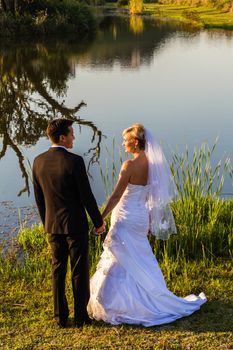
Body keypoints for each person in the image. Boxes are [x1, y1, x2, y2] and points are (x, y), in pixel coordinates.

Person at [88, 123, 206, 326]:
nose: (123, 144)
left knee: (120, 256)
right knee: (139, 256)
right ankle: (142, 298)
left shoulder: (129, 166)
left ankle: (119, 303)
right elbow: (153, 197)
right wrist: (150, 219)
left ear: (135, 142)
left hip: (125, 216)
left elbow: (116, 195)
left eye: (126, 140)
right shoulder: (154, 164)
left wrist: (100, 218)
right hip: (140, 216)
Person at [32, 118, 105, 328]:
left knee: (58, 270)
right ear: (62, 137)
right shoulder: (74, 161)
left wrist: (47, 222)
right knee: (79, 270)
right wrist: (98, 222)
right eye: (71, 134)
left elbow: (39, 199)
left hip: (52, 225)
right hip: (75, 225)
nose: (73, 137)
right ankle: (81, 317)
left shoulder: (38, 161)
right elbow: (86, 196)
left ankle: (60, 318)